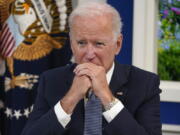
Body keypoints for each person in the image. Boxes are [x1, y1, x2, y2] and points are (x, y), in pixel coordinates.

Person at [21, 1, 162, 135]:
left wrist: (108, 99)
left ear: (117, 44)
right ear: (71, 44)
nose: (89, 54)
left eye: (99, 44)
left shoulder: (145, 84)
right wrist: (70, 99)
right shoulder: (51, 80)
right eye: (81, 43)